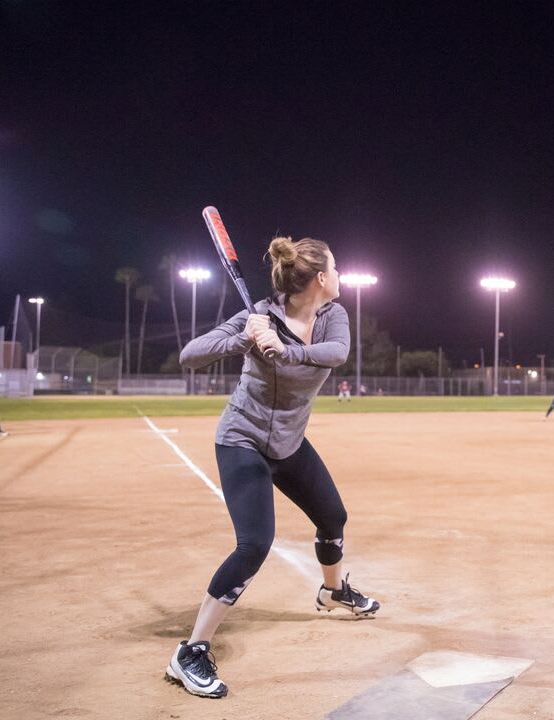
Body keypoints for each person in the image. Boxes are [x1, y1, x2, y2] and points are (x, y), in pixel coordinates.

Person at [167, 236, 379, 699]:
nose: (341, 275)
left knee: (332, 518)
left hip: (289, 443)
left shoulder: (332, 316)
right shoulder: (256, 315)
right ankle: (191, 651)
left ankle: (333, 590)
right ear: (321, 279)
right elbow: (190, 355)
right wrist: (244, 336)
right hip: (242, 440)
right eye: (337, 268)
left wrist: (286, 351)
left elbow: (336, 353)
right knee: (254, 544)